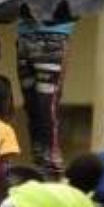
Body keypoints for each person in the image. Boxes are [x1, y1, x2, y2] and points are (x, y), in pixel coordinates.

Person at [16, 18, 75, 176]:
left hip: (54, 36)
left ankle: (52, 161)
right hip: (24, 36)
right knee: (31, 104)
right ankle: (40, 159)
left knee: (47, 103)